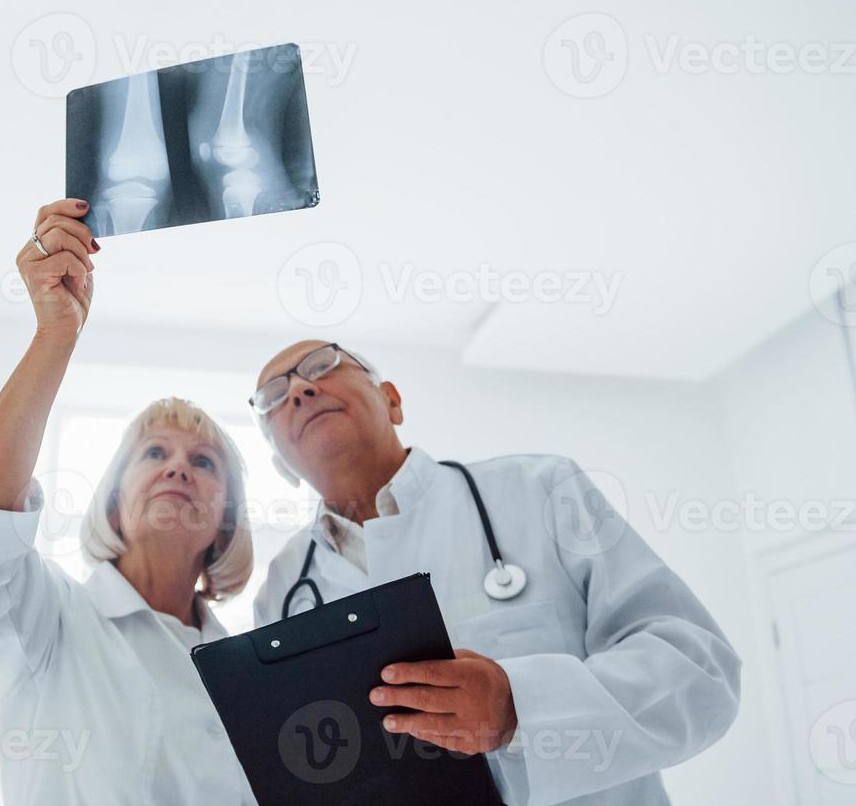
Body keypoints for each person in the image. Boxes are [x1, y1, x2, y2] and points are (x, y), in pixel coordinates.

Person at [249, 339, 741, 805]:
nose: (299, 390)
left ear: (393, 401)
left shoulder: (541, 491)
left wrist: (519, 708)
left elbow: (700, 672)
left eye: (322, 366)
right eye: (274, 396)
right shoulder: (280, 590)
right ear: (280, 466)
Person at [0, 198, 257, 805]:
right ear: (113, 500)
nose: (179, 466)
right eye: (154, 453)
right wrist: (57, 331)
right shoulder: (50, 621)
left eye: (204, 462)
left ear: (226, 520)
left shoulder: (255, 672)